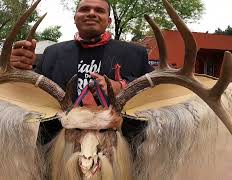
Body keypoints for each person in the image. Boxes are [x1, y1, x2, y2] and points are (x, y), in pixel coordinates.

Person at [10, 0, 154, 145]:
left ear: (109, 20)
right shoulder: (52, 53)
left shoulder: (135, 53)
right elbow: (34, 96)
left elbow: (153, 94)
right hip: (56, 148)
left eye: (99, 10)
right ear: (75, 18)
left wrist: (122, 87)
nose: (91, 13)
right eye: (85, 9)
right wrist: (20, 69)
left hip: (120, 151)